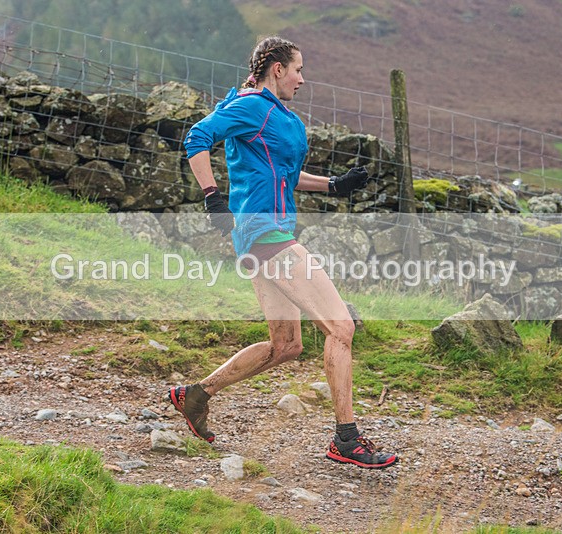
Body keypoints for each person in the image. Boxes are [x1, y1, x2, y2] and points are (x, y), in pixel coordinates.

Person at [167, 36, 398, 469]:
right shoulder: (252, 106)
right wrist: (213, 196)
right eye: (298, 69)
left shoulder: (277, 115)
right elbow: (198, 137)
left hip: (263, 237)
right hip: (265, 233)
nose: (302, 78)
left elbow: (285, 175)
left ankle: (195, 395)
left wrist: (334, 185)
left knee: (286, 345)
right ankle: (346, 439)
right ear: (277, 68)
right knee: (341, 327)